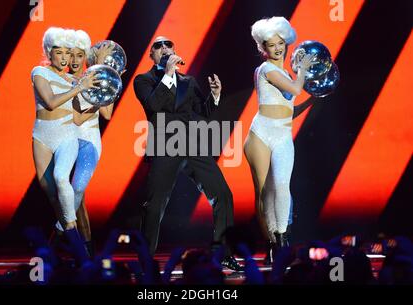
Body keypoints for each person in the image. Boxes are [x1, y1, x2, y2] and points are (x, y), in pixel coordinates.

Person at [133, 36, 242, 271]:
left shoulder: (189, 82)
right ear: (151, 55)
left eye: (168, 45)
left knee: (223, 194)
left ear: (175, 49)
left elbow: (202, 112)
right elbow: (153, 106)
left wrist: (214, 96)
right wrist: (169, 74)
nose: (164, 48)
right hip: (165, 145)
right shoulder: (144, 80)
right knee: (154, 205)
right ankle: (145, 259)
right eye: (158, 46)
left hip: (192, 144)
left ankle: (223, 253)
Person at [244, 17, 315, 250]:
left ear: (286, 43)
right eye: (271, 45)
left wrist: (312, 101)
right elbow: (296, 88)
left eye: (280, 43)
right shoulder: (265, 69)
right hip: (261, 133)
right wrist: (303, 70)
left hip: (283, 133)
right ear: (263, 48)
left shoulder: (284, 72)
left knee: (283, 187)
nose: (277, 48)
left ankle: (282, 239)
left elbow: (288, 110)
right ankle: (272, 242)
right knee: (266, 193)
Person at [31, 27, 98, 234]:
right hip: (42, 137)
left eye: (67, 53)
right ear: (48, 51)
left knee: (62, 178)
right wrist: (78, 88)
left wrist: (99, 103)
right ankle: (66, 238)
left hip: (67, 137)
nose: (64, 57)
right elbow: (50, 102)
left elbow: (77, 118)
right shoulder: (39, 72)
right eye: (59, 52)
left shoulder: (73, 81)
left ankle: (74, 237)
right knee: (52, 195)